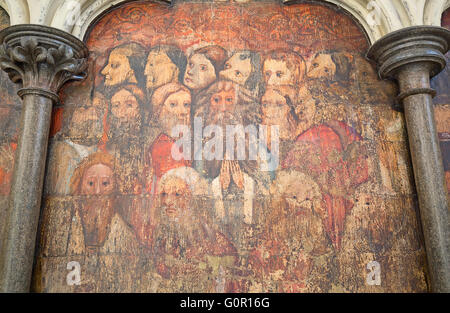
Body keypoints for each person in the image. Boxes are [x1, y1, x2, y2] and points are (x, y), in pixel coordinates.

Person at [151, 170, 237, 292]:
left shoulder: (214, 241)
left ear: (192, 200)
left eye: (177, 194)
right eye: (164, 194)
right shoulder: (163, 240)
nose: (168, 201)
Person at [249, 170, 331, 292]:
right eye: (294, 197)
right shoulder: (266, 245)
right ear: (281, 202)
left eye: (308, 199)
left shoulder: (320, 245)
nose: (301, 203)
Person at [45, 104, 104, 195]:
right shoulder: (61, 149)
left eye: (98, 109)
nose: (94, 116)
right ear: (70, 117)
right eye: (84, 108)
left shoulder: (100, 153)